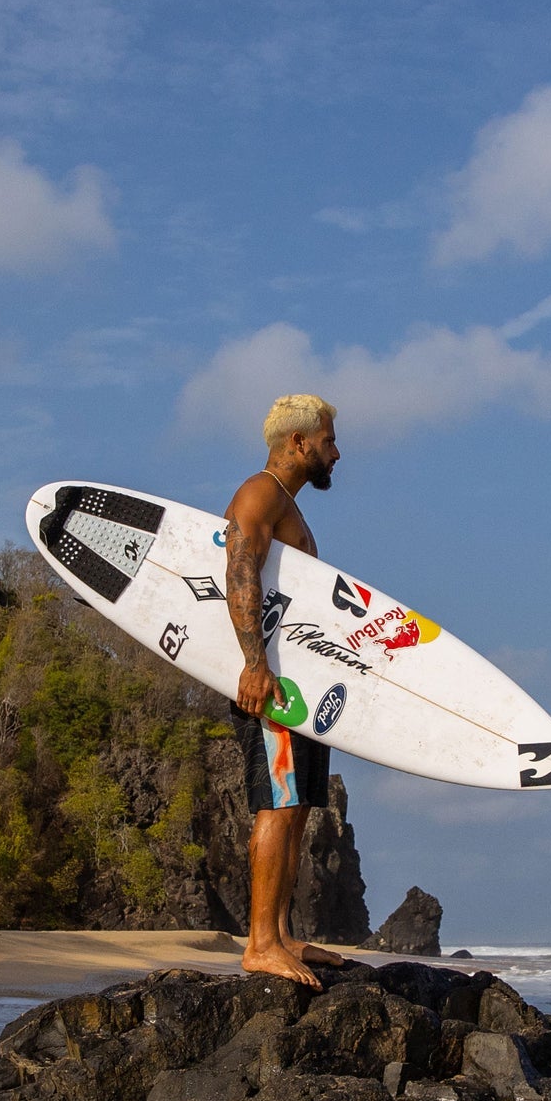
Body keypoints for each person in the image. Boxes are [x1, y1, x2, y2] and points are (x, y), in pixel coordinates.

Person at [225, 393, 344, 987]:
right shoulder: (260, 492)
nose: (335, 452)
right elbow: (240, 565)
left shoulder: (289, 505)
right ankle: (260, 944)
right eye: (327, 441)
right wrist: (252, 662)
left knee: (295, 807)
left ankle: (282, 933)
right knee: (276, 803)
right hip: (271, 682)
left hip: (297, 683)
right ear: (299, 443)